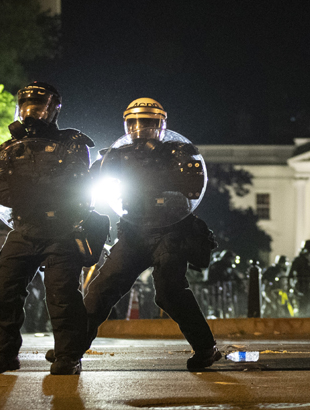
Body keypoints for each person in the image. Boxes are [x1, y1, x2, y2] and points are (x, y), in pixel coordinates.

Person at [54, 98, 220, 371]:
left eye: (148, 123)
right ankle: (71, 351)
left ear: (161, 125)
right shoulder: (118, 155)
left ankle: (206, 348)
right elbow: (88, 180)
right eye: (134, 123)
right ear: (127, 125)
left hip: (170, 232)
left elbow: (193, 189)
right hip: (134, 233)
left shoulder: (177, 153)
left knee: (169, 292)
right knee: (102, 289)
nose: (141, 129)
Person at [0, 82, 95, 375]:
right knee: (3, 288)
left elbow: (77, 184)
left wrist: (28, 191)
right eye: (26, 107)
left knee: (62, 295)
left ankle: (68, 357)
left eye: (39, 107)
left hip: (61, 229)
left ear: (54, 109)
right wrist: (38, 193)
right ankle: (5, 354)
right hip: (24, 228)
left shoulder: (73, 143)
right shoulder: (10, 148)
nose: (31, 113)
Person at [289, 240, 310, 317]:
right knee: (303, 307)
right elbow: (291, 274)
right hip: (302, 285)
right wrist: (291, 287)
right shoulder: (299, 260)